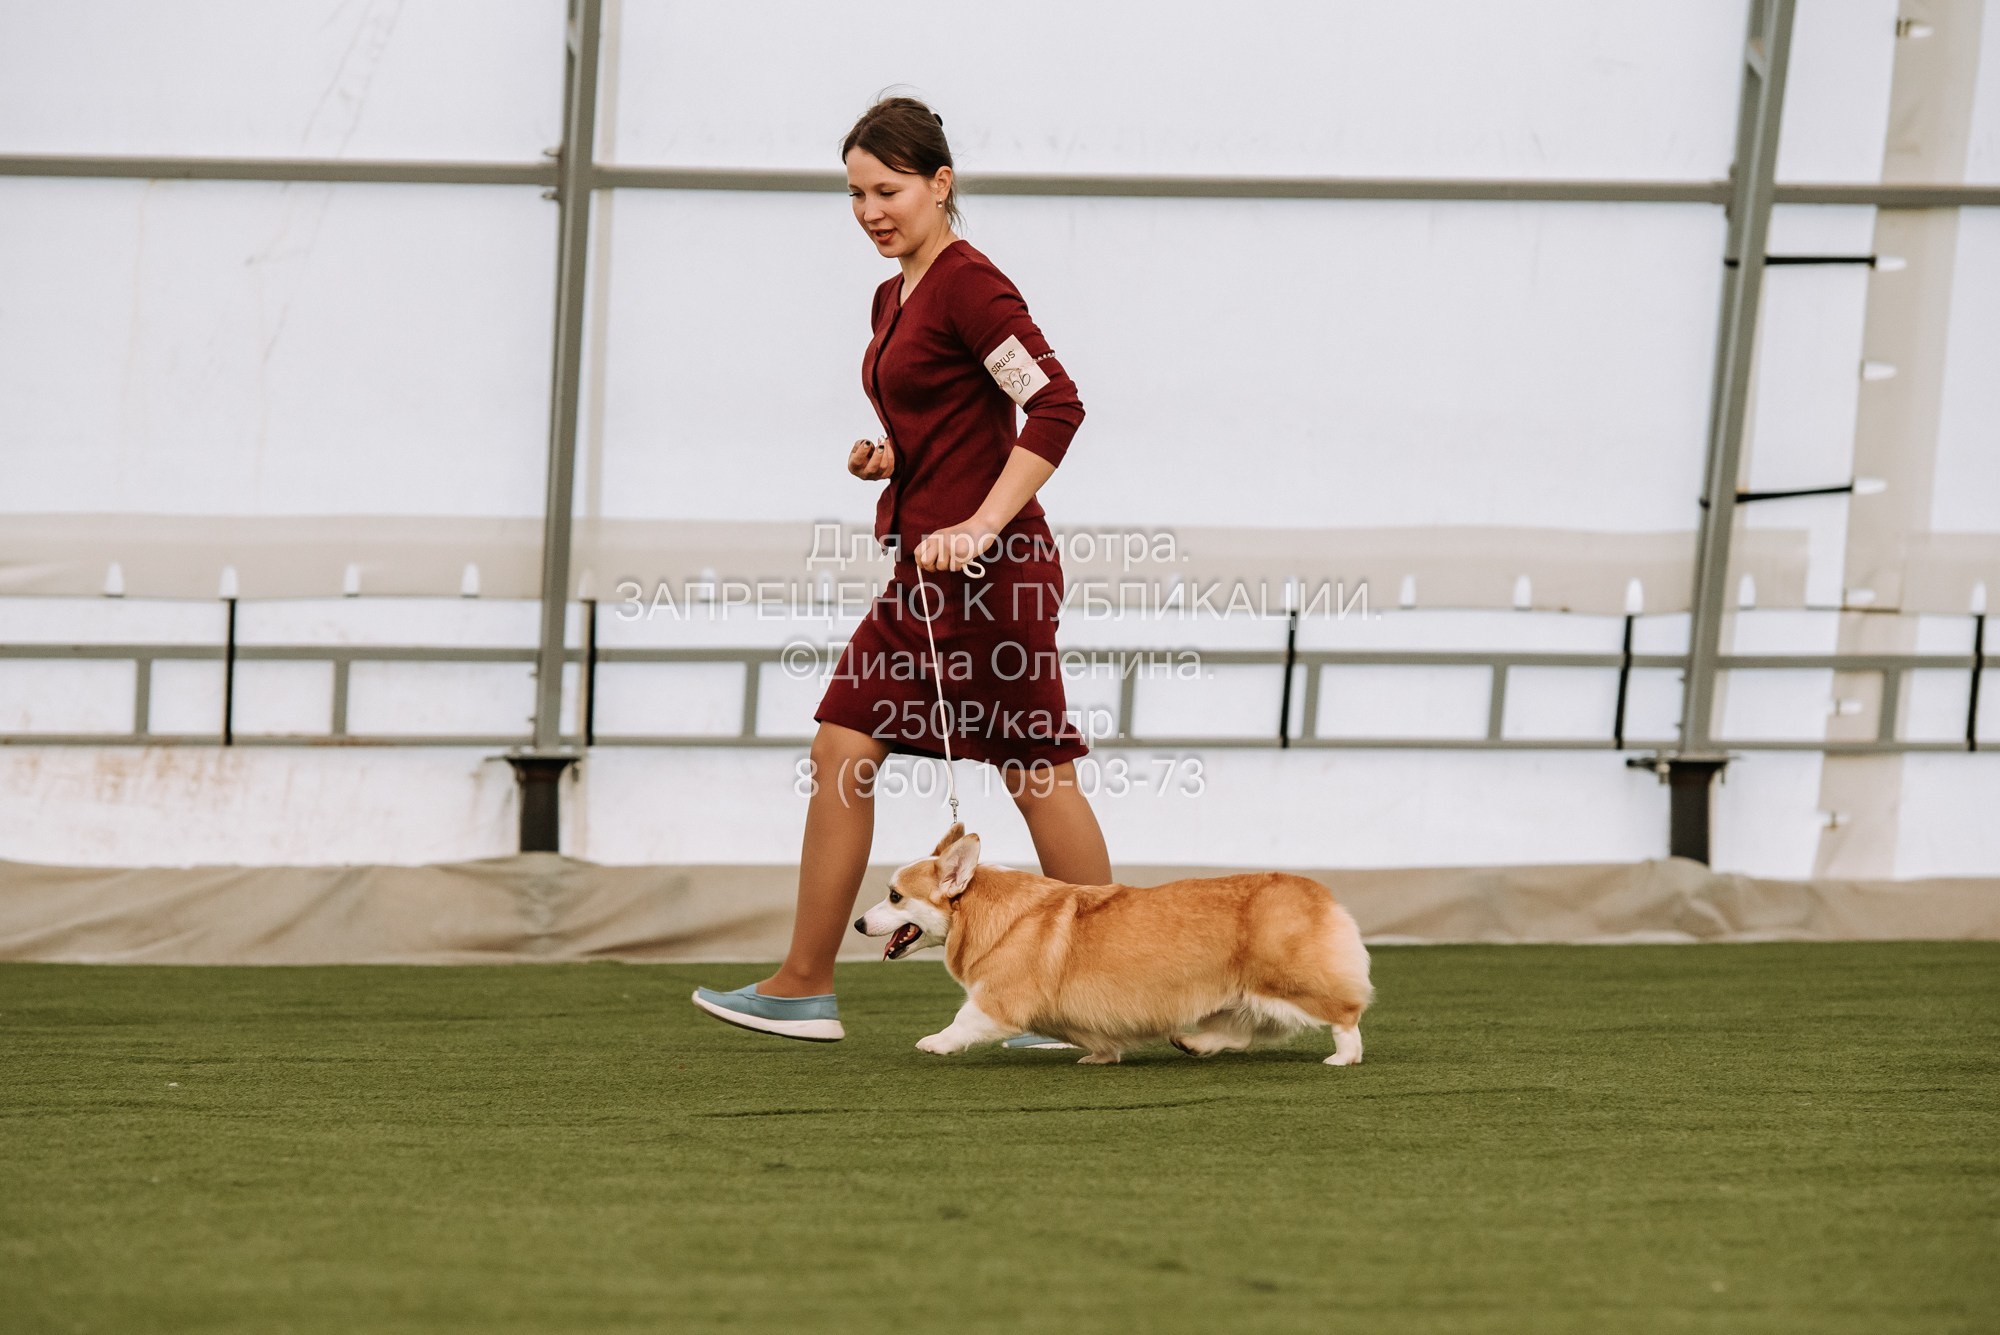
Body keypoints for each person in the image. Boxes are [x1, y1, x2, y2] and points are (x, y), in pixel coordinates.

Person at [692, 95, 1112, 1043]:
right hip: (922, 582)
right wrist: (893, 455)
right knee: (842, 745)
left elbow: (1055, 408)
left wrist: (980, 522)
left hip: (993, 578)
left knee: (1035, 770)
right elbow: (952, 415)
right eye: (854, 193)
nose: (870, 210)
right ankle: (804, 982)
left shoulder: (972, 286)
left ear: (940, 184)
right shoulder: (893, 295)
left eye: (888, 190)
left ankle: (1109, 983)